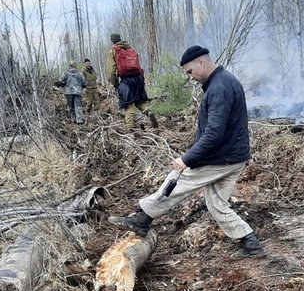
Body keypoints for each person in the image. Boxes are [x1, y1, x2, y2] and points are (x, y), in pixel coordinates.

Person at [108, 45, 265, 259]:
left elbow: (214, 133)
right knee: (217, 204)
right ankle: (251, 244)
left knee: (177, 180)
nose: (190, 77)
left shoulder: (220, 87)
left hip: (222, 158)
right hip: (232, 156)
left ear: (201, 62)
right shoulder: (223, 82)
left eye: (190, 71)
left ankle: (143, 219)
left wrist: (187, 158)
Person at [105, 33, 158, 130]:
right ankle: (149, 112)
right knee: (141, 101)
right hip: (139, 78)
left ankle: (131, 130)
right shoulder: (130, 49)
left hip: (126, 80)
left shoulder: (113, 51)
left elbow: (111, 71)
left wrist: (115, 84)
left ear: (112, 40)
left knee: (128, 104)